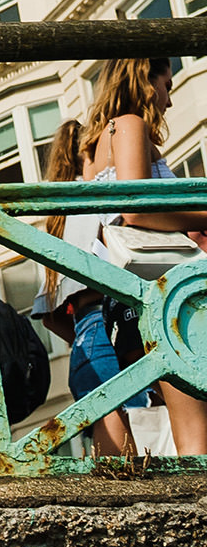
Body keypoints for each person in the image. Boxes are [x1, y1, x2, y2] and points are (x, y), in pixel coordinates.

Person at [84, 57, 207, 454]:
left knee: (189, 427)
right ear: (146, 78)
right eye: (167, 85)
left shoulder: (94, 145)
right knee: (195, 435)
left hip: (126, 295)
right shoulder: (130, 123)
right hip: (163, 294)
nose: (169, 100)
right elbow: (136, 209)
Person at [34, 116, 144, 455]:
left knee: (105, 423)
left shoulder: (54, 221)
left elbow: (49, 315)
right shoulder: (97, 198)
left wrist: (83, 333)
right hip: (115, 320)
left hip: (83, 333)